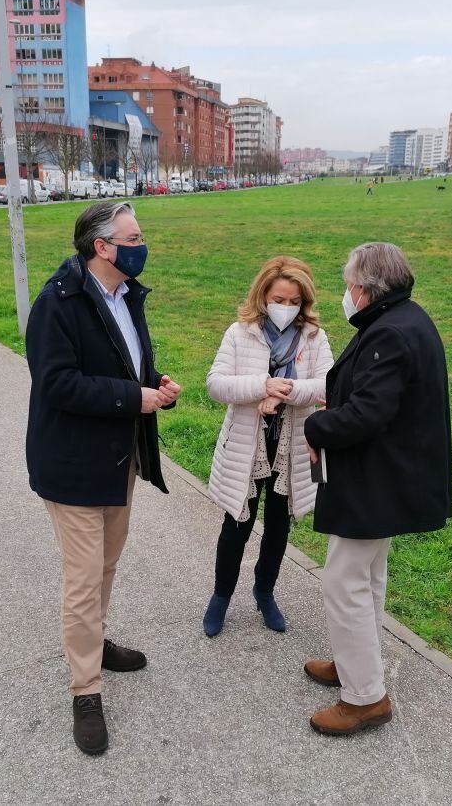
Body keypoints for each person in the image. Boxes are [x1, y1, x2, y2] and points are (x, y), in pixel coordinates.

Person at [25, 201, 183, 756]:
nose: (143, 244)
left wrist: (153, 381)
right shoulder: (58, 303)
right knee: (83, 576)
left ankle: (94, 643)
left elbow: (124, 361)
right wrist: (132, 397)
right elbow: (57, 385)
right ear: (103, 247)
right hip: (72, 465)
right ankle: (85, 690)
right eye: (134, 236)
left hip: (120, 460)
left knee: (106, 566)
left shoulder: (125, 295)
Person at [302, 242, 452, 735]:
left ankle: (364, 697)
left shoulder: (391, 332)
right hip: (388, 475)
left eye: (349, 286)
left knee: (345, 579)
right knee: (366, 575)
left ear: (365, 290)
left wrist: (317, 428)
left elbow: (367, 414)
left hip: (376, 480)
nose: (346, 294)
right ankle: (356, 665)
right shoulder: (403, 319)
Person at [203, 257, 333, 637]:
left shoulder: (314, 336)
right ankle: (220, 596)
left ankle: (265, 592)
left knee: (279, 525)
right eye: (280, 299)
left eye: (295, 301)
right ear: (263, 295)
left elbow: (327, 385)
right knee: (236, 524)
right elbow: (217, 384)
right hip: (248, 445)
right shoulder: (240, 333)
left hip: (292, 447)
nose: (286, 308)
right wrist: (262, 385)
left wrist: (288, 391)